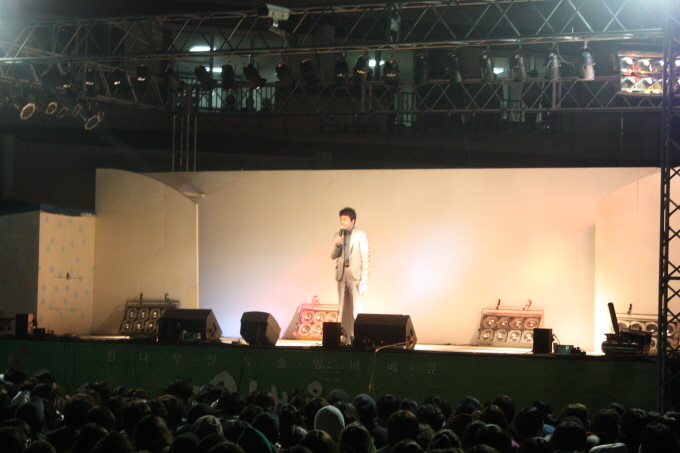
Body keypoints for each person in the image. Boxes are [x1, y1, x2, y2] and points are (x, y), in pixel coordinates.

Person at [331, 207, 370, 341]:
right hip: (342, 274)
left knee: (356, 309)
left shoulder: (360, 235)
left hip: (356, 275)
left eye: (345, 219)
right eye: (341, 219)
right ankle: (344, 338)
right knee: (343, 308)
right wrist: (337, 245)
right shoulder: (338, 235)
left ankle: (357, 338)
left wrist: (364, 277)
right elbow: (333, 256)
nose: (342, 222)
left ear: (353, 221)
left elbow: (365, 256)